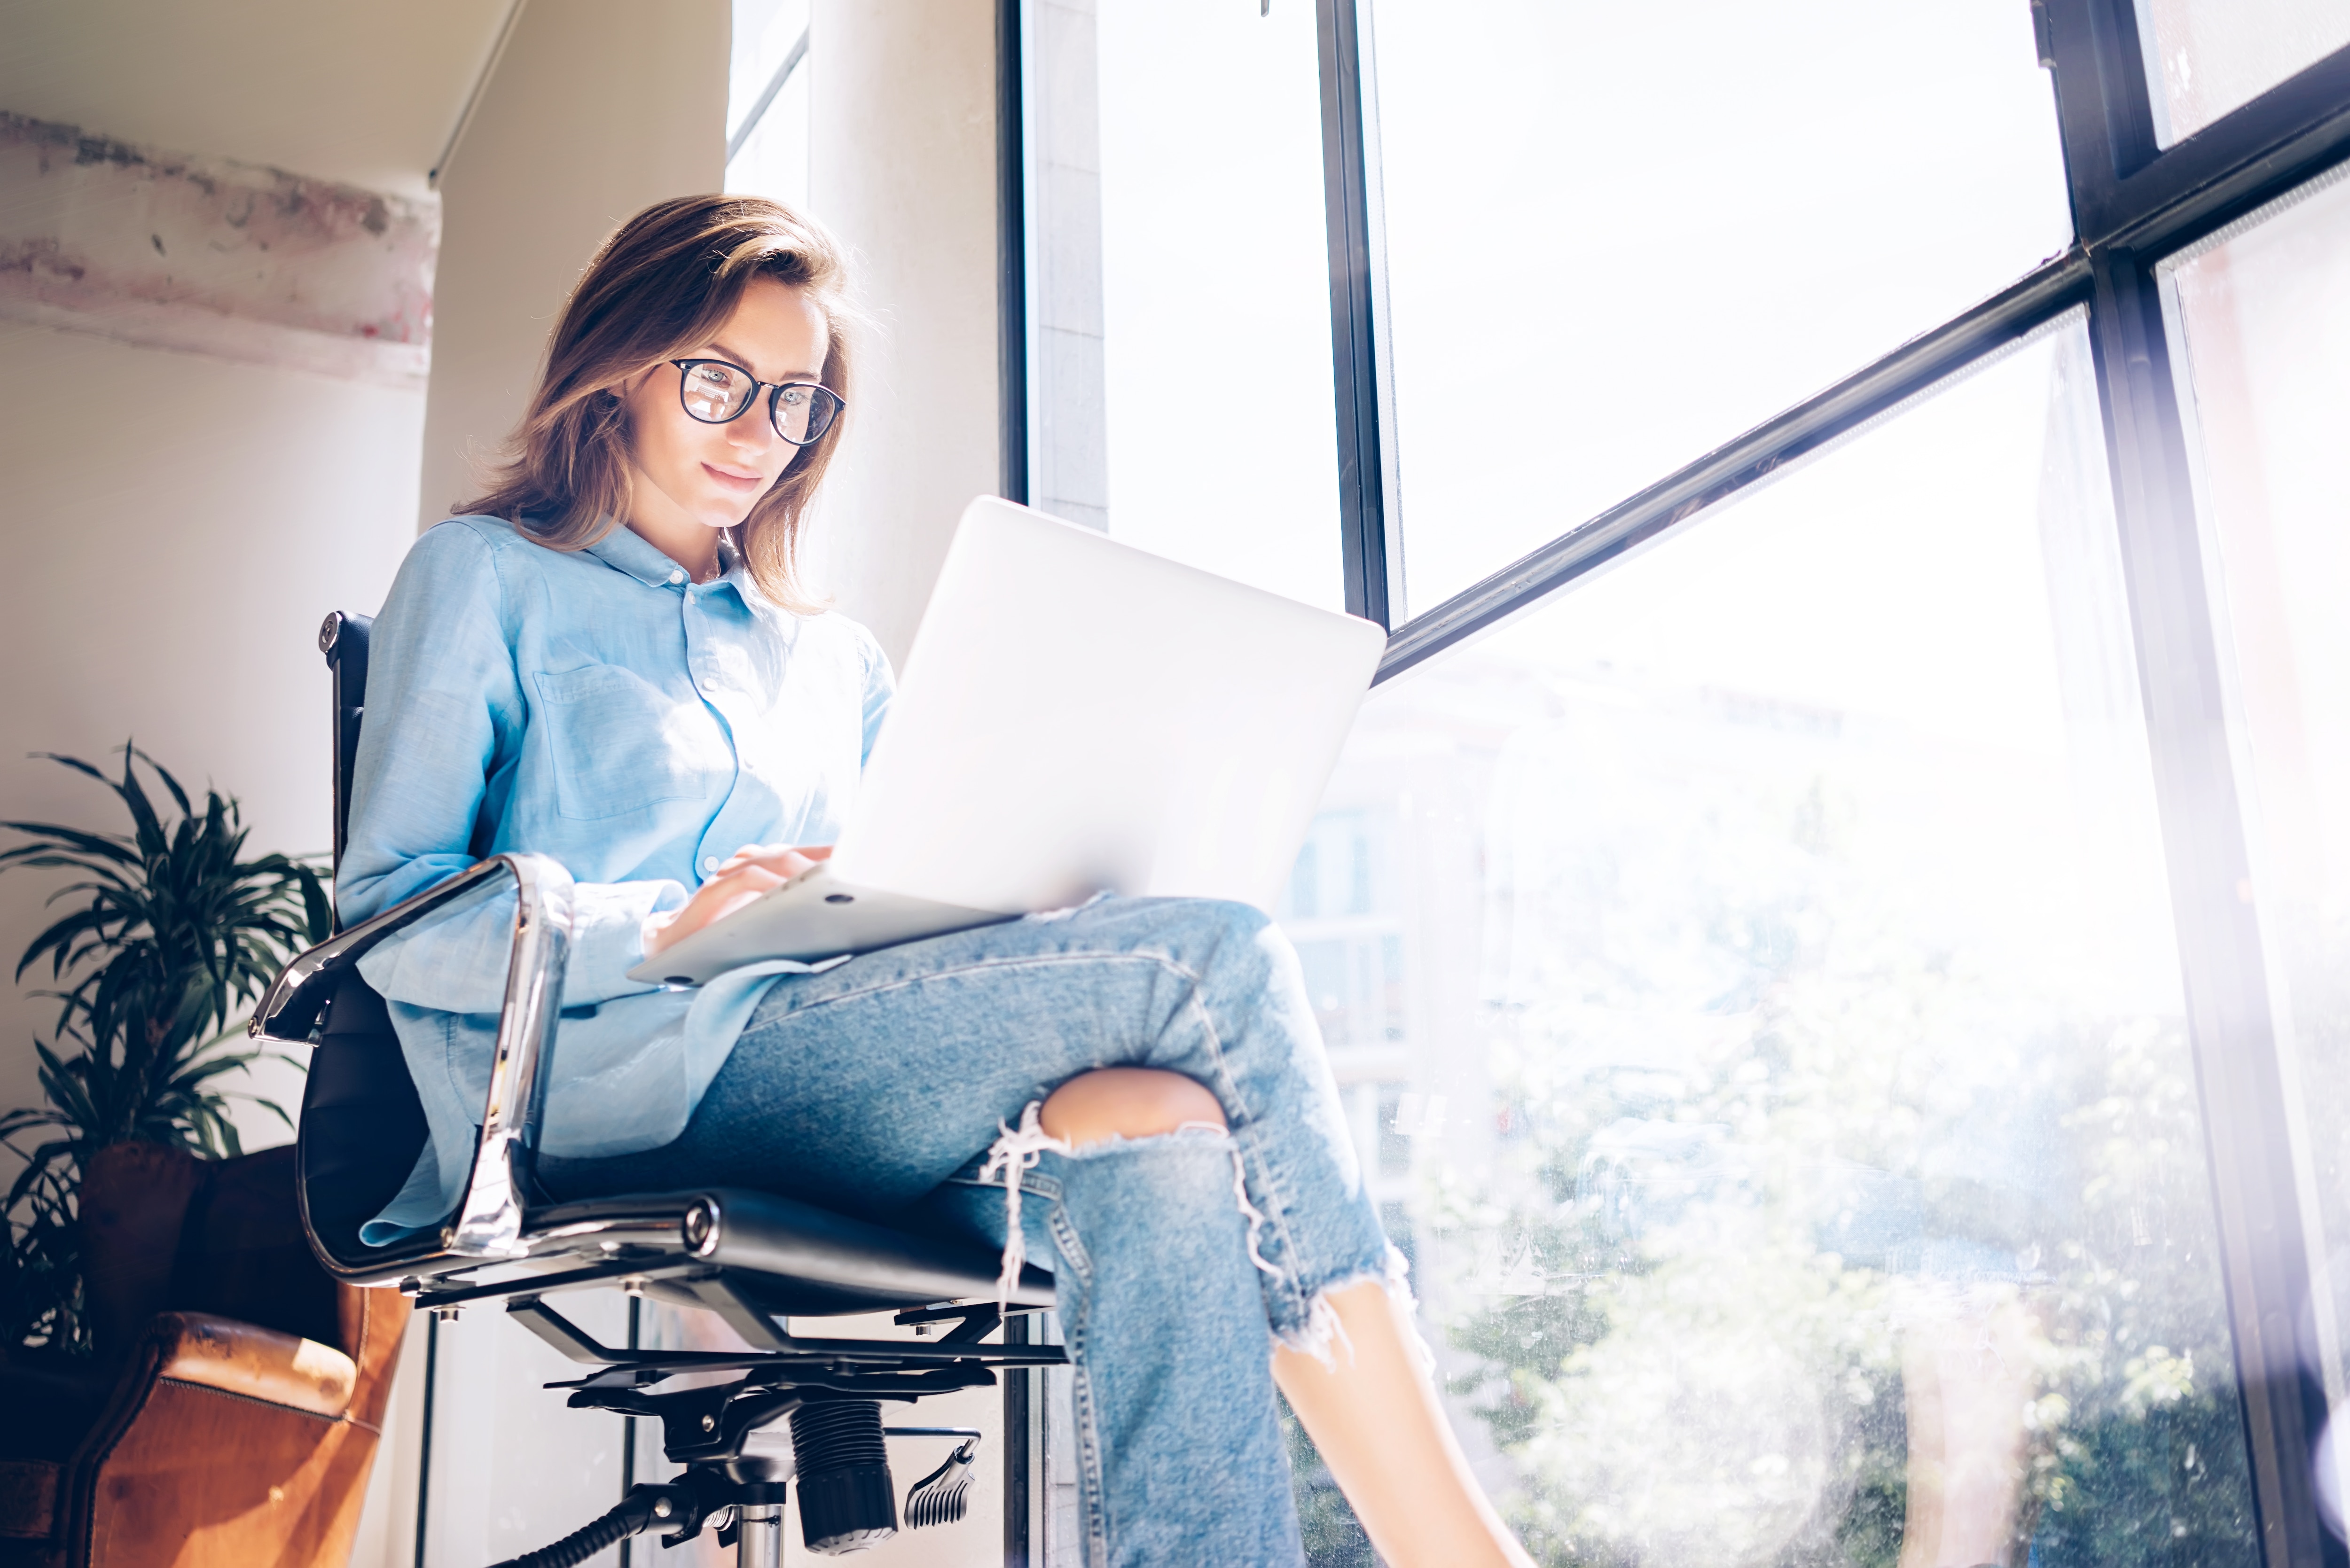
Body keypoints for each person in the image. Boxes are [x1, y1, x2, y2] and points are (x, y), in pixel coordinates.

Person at [339, 194, 1532, 1568]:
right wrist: (660, 924)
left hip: (826, 1078)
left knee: (1159, 1123)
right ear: (618, 363)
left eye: (793, 402)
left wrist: (1011, 912)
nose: (755, 434)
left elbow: (892, 894)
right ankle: (1464, 1552)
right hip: (614, 1091)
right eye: (719, 380)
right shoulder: (486, 577)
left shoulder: (829, 658)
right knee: (1216, 958)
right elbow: (391, 911)